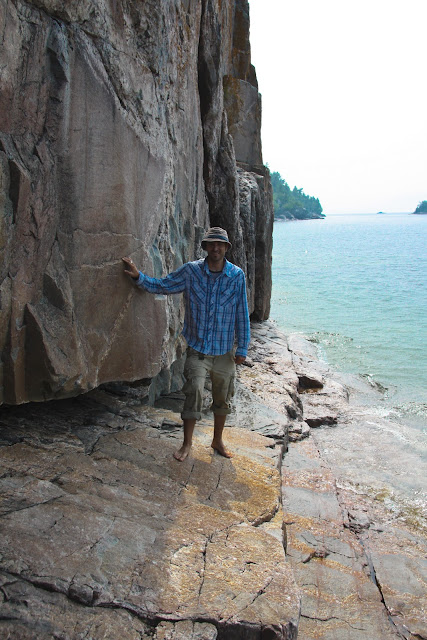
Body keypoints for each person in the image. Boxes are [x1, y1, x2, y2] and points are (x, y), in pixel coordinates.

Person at [122, 227, 250, 461]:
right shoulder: (191, 271)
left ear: (226, 248)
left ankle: (217, 440)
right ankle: (187, 443)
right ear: (205, 246)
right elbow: (164, 285)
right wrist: (139, 277)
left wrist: (242, 347)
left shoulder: (236, 276)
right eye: (211, 243)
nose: (216, 248)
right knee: (194, 392)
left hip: (224, 352)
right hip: (198, 350)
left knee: (223, 398)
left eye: (220, 244)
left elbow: (242, 313)